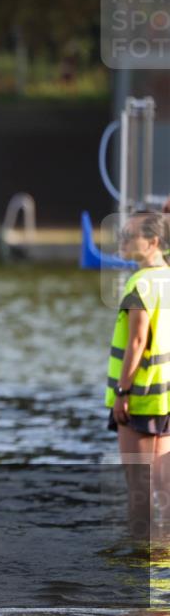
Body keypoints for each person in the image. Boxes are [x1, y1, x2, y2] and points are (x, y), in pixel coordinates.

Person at [107, 211, 170, 538]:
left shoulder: (140, 283)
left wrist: (122, 392)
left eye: (130, 236)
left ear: (153, 242)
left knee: (138, 488)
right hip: (165, 396)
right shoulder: (168, 277)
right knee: (164, 486)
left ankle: (138, 562)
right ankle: (164, 561)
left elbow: (136, 340)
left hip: (139, 399)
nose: (123, 241)